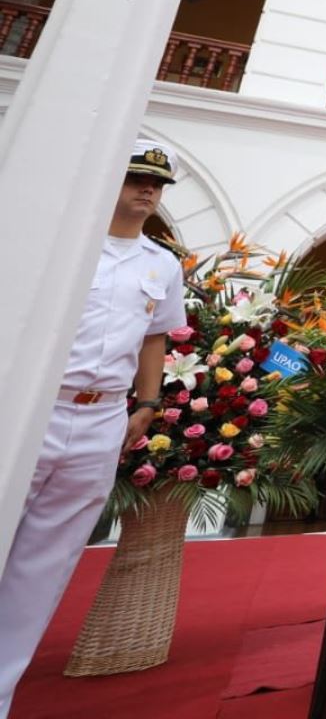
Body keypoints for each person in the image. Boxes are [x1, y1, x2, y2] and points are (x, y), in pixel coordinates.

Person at [1, 140, 187, 714]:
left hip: (103, 416)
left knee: (47, 560)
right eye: (136, 178)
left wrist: (148, 405)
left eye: (156, 183)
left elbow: (156, 337)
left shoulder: (162, 263)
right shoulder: (67, 243)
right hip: (37, 405)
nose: (147, 190)